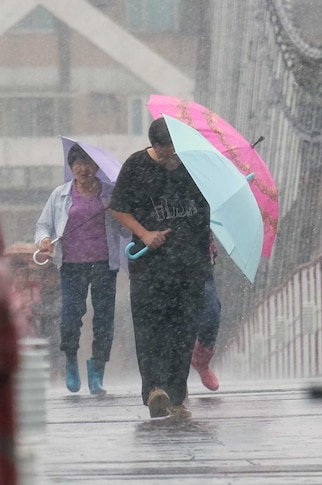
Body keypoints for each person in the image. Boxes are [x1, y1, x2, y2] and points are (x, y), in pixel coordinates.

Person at [109, 117, 211, 418]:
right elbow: (117, 207)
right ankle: (155, 389)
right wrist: (144, 234)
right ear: (155, 147)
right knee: (150, 329)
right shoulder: (136, 166)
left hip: (189, 266)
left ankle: (177, 397)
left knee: (182, 332)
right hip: (149, 267)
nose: (172, 158)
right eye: (167, 152)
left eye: (176, 151)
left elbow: (203, 213)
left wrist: (205, 255)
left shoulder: (193, 167)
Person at [34, 144, 123, 395]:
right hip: (71, 265)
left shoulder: (110, 195)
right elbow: (43, 226)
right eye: (78, 163)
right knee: (70, 318)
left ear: (97, 167)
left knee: (104, 319)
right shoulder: (60, 195)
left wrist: (117, 212)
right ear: (70, 167)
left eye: (88, 163)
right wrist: (43, 241)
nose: (83, 168)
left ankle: (97, 370)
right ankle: (71, 360)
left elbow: (126, 230)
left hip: (105, 265)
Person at [191, 233, 221, 391]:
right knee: (176, 320)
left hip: (202, 260)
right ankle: (176, 377)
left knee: (212, 313)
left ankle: (201, 361)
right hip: (170, 258)